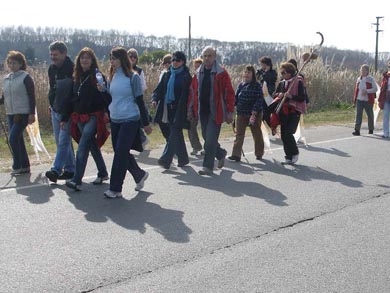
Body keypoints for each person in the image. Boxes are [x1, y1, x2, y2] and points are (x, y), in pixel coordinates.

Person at [104, 47, 152, 198]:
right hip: (116, 119)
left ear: (122, 59)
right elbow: (111, 98)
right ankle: (139, 174)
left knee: (120, 153)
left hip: (130, 119)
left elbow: (139, 100)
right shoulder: (112, 77)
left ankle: (115, 188)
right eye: (110, 58)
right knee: (121, 152)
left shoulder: (133, 77)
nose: (111, 60)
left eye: (114, 58)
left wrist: (146, 123)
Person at [65, 47, 111, 191]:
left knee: (83, 146)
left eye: (88, 58)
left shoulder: (98, 76)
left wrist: (106, 111)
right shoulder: (76, 77)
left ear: (92, 61)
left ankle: (76, 179)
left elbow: (106, 97)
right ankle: (103, 173)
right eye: (82, 58)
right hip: (79, 116)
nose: (85, 60)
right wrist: (65, 116)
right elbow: (72, 98)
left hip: (93, 116)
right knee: (92, 145)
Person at [189, 46, 235, 175]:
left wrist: (230, 112)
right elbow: (192, 93)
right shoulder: (198, 73)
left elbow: (229, 93)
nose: (207, 58)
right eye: (205, 56)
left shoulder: (221, 73)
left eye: (210, 56)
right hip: (202, 111)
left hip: (216, 111)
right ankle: (220, 153)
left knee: (209, 140)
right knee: (206, 136)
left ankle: (208, 166)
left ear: (215, 57)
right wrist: (190, 110)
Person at [152, 51, 192, 169]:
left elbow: (189, 95)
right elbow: (158, 90)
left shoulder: (186, 76)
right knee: (176, 134)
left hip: (181, 109)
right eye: (173, 60)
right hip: (167, 108)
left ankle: (166, 159)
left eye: (177, 60)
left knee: (174, 133)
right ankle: (183, 158)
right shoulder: (167, 74)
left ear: (183, 62)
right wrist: (155, 99)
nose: (174, 62)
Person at [0, 51, 35, 175]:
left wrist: (32, 113)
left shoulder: (26, 77)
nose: (12, 65)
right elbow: (4, 98)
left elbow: (32, 96)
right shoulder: (6, 79)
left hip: (22, 113)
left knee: (13, 138)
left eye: (15, 63)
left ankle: (17, 165)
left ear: (21, 64)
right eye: (10, 63)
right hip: (10, 113)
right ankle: (25, 166)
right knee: (18, 139)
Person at [45, 41, 75, 183]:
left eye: (55, 54)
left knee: (63, 141)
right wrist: (51, 104)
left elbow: (71, 94)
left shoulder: (72, 69)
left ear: (64, 54)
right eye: (51, 54)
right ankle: (70, 169)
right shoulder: (52, 69)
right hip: (55, 109)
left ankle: (56, 170)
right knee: (60, 141)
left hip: (67, 112)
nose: (53, 57)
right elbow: (52, 89)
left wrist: (66, 114)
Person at [228, 65, 264, 162]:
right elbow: (236, 98)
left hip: (254, 114)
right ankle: (236, 155)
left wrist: (255, 110)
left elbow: (260, 99)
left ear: (253, 74)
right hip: (241, 113)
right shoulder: (241, 85)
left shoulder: (257, 85)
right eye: (245, 72)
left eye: (249, 72)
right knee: (239, 134)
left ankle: (259, 153)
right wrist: (231, 107)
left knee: (256, 134)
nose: (246, 74)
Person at [272, 62, 306, 164]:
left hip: (294, 111)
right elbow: (274, 94)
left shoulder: (298, 81)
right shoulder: (282, 83)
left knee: (288, 133)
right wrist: (280, 94)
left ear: (290, 73)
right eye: (281, 73)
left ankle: (295, 152)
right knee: (283, 135)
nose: (282, 75)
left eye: (284, 72)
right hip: (283, 111)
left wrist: (291, 96)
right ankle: (288, 156)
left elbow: (302, 98)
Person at [128, 48, 149, 148]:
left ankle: (142, 138)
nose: (132, 58)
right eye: (130, 56)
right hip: (125, 99)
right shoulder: (122, 70)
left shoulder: (139, 71)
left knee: (135, 119)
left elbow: (143, 86)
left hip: (136, 98)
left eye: (134, 57)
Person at [352, 64, 378, 136]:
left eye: (363, 70)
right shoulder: (358, 79)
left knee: (370, 115)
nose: (362, 71)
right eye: (361, 70)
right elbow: (356, 90)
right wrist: (354, 101)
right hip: (359, 100)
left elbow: (375, 89)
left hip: (368, 101)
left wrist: (367, 91)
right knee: (358, 115)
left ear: (367, 71)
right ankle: (357, 130)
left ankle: (371, 129)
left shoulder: (371, 79)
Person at [152, 54, 172, 142]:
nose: (167, 64)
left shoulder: (180, 75)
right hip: (164, 103)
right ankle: (170, 142)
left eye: (169, 62)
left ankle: (172, 146)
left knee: (172, 126)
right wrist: (154, 99)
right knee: (161, 123)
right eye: (165, 63)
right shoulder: (165, 75)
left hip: (173, 105)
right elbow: (158, 89)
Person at [256, 56, 277, 127]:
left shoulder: (273, 72)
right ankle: (263, 128)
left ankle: (272, 126)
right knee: (262, 112)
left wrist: (267, 72)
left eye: (263, 64)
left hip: (269, 94)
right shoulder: (259, 72)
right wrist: (264, 72)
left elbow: (271, 79)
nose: (262, 66)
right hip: (261, 94)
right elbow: (259, 78)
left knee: (267, 112)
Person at [188, 58, 203, 156]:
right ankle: (196, 146)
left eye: (199, 67)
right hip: (193, 107)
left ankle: (209, 147)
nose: (197, 69)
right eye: (195, 67)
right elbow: (190, 94)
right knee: (190, 127)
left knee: (206, 130)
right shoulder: (192, 79)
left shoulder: (205, 78)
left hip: (204, 107)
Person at [378, 60, 390, 138]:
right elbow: (382, 87)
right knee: (385, 115)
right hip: (386, 97)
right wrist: (380, 99)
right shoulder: (386, 75)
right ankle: (386, 133)